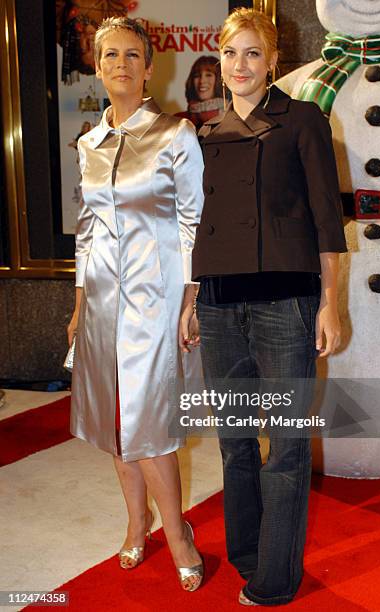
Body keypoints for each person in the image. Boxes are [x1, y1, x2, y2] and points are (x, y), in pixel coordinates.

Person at [191, 8, 347, 606]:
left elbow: (327, 223)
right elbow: (196, 228)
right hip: (220, 304)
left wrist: (330, 304)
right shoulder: (205, 134)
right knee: (234, 441)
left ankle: (277, 580)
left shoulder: (303, 119)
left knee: (283, 446)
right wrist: (191, 301)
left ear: (272, 61)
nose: (240, 66)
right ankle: (248, 552)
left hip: (287, 301)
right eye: (231, 54)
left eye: (253, 53)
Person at [67, 17, 204, 591]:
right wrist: (78, 303)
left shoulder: (176, 134)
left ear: (149, 68)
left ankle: (176, 533)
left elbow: (194, 221)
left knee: (148, 426)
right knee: (114, 426)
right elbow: (87, 229)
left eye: (131, 55)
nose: (120, 64)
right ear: (98, 67)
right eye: (109, 55)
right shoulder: (88, 144)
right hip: (100, 301)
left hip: (155, 301)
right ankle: (134, 523)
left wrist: (190, 300)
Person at [175, 56, 224, 130]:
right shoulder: (179, 120)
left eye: (208, 75)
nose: (202, 81)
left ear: (219, 80)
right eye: (197, 76)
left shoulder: (231, 117)